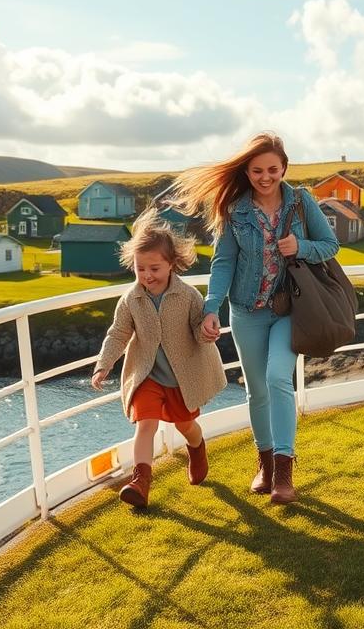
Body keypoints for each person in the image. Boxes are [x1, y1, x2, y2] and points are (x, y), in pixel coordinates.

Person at [171, 132, 338, 504]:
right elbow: (223, 262)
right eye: (257, 170)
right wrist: (211, 307)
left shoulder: (300, 201)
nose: (265, 177)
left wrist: (302, 247)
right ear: (246, 171)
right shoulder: (235, 210)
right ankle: (263, 464)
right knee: (257, 389)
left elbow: (330, 245)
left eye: (273, 170)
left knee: (278, 377)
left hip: (291, 308)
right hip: (246, 311)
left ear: (284, 168)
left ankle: (283, 473)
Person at [91, 211, 226, 509]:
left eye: (154, 268)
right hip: (147, 374)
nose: (147, 275)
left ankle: (197, 447)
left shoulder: (189, 295)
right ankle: (140, 482)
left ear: (172, 264)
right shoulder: (131, 299)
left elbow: (197, 326)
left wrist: (206, 333)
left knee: (185, 425)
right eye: (140, 269)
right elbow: (118, 334)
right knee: (145, 425)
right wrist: (104, 364)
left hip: (181, 377)